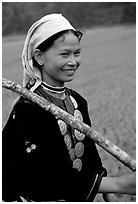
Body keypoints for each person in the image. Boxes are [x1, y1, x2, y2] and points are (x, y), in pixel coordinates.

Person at [2, 13, 136, 202]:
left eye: (77, 53)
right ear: (39, 57)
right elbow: (45, 174)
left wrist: (108, 192)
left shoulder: (77, 101)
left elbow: (89, 152)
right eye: (65, 54)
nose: (73, 61)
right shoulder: (27, 109)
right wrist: (120, 184)